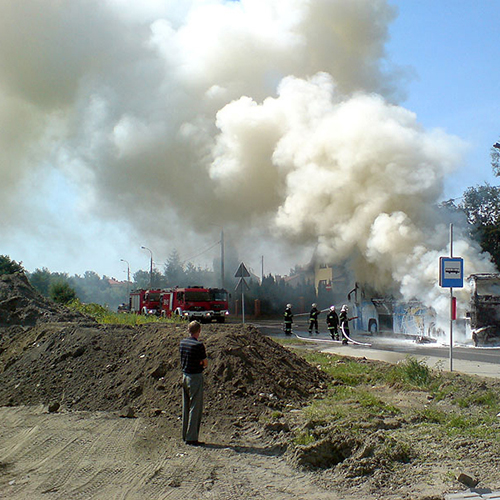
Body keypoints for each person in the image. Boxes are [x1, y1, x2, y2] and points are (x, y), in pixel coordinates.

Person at [179, 320, 208, 446]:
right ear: (199, 331)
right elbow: (205, 363)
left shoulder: (182, 343)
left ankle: (184, 435)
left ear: (188, 330)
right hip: (195, 377)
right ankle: (192, 438)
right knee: (195, 408)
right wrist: (201, 363)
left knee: (186, 407)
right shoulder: (199, 345)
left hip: (184, 376)